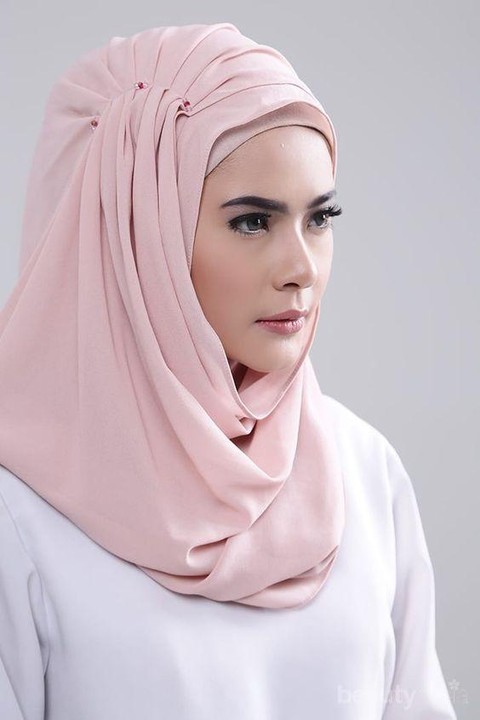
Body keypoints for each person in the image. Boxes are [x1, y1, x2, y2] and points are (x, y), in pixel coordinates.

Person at [0, 22, 456, 720]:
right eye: (251, 222)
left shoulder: (364, 472)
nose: (301, 269)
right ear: (139, 234)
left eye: (320, 218)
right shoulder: (20, 514)